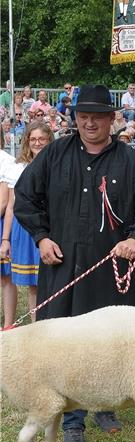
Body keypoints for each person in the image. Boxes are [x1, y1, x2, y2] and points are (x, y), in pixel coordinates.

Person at [14, 84, 135, 442]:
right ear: (76, 118)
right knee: (64, 345)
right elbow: (24, 198)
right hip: (62, 266)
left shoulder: (130, 161)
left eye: (98, 116)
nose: (90, 122)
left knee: (111, 342)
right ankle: (71, 420)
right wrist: (41, 238)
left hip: (111, 266)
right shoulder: (54, 155)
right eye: (84, 116)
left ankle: (107, 406)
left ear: (112, 119)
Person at [1, 123, 54, 325]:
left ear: (49, 140)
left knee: (52, 280)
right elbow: (11, 207)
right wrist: (5, 239)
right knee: (34, 284)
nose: (37, 143)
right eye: (33, 139)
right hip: (24, 231)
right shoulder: (18, 168)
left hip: (50, 228)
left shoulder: (57, 164)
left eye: (42, 139)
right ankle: (35, 327)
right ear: (27, 142)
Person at [0, 146, 16, 328]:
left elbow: (3, 202)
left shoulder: (5, 160)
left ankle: (8, 324)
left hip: (1, 222)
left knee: (5, 277)